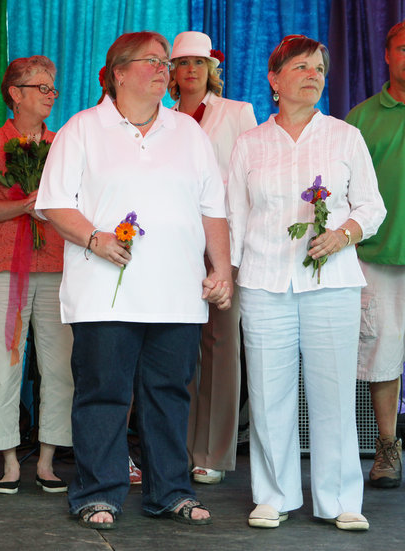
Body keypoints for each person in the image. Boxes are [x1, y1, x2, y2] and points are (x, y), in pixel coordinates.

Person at [36, 31, 231, 529]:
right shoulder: (81, 129)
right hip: (104, 293)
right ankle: (97, 493)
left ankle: (170, 491)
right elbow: (55, 204)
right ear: (119, 72)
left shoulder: (188, 132)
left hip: (177, 293)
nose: (163, 69)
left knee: (169, 395)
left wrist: (222, 269)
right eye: (152, 61)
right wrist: (96, 238)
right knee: (103, 394)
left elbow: (213, 209)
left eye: (166, 62)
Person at [226, 35, 385, 531]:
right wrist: (226, 277)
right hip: (263, 282)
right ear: (274, 80)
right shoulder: (249, 143)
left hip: (332, 283)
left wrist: (341, 235)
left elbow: (372, 208)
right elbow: (234, 216)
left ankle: (341, 500)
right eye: (300, 67)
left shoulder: (344, 136)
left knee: (334, 391)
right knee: (269, 392)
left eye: (319, 67)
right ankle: (273, 496)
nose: (313, 74)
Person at [0, 55, 72, 495]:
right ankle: (8, 459)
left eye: (52, 88)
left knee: (59, 367)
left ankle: (48, 459)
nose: (50, 95)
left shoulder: (64, 143)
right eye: (41, 87)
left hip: (57, 266)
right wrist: (23, 204)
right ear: (15, 93)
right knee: (3, 365)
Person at [169, 30, 258, 485]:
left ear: (211, 70)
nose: (190, 72)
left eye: (198, 64)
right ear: (171, 72)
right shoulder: (162, 117)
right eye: (182, 64)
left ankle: (215, 452)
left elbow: (249, 179)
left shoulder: (237, 113)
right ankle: (179, 447)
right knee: (182, 347)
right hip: (178, 247)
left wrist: (235, 250)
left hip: (225, 243)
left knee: (222, 346)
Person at [346, 20, 405, 490]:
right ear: (386, 54)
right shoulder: (360, 119)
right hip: (379, 256)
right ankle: (388, 450)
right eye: (404, 48)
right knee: (381, 356)